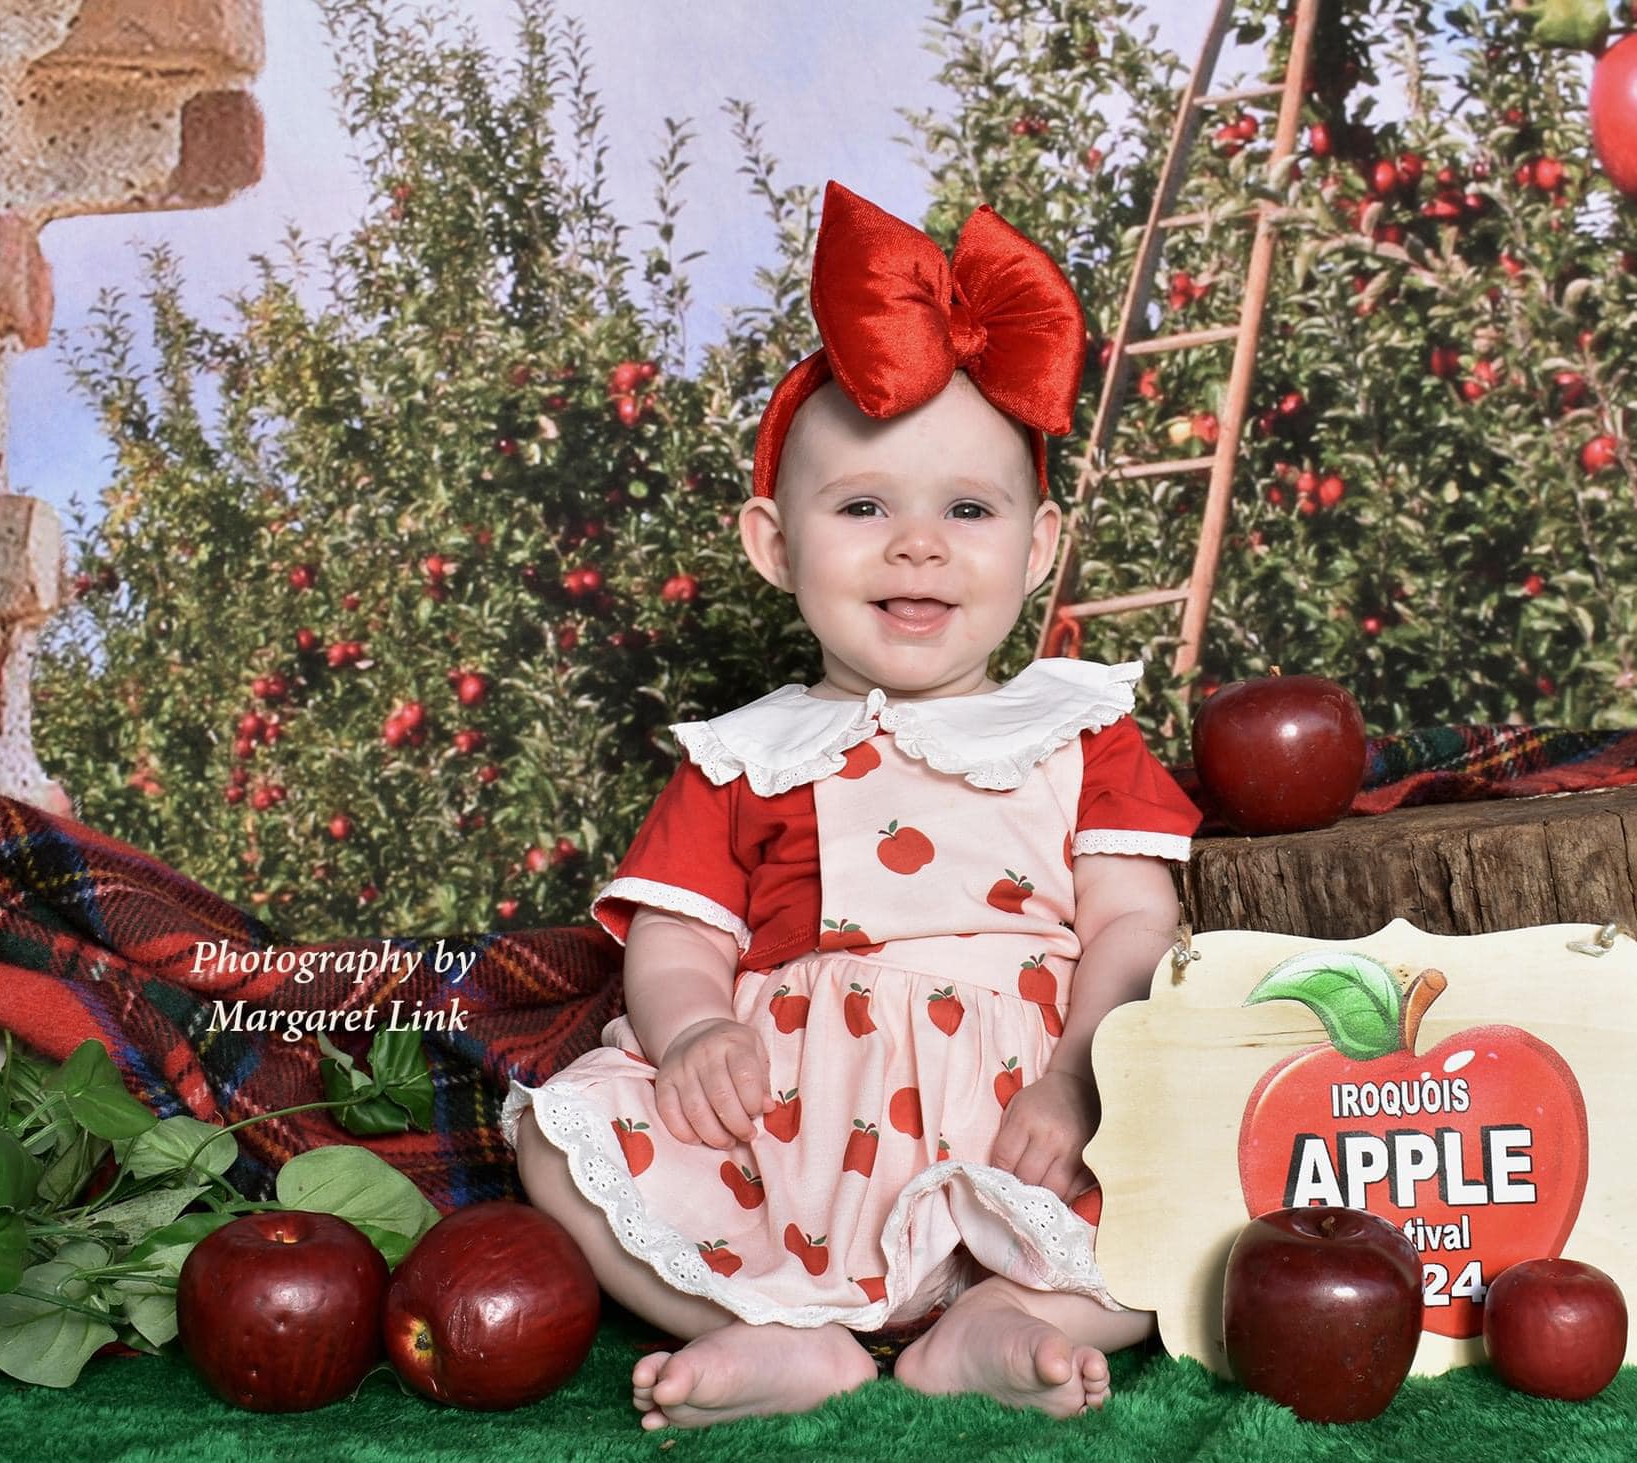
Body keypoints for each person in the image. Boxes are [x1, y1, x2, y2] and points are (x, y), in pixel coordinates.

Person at [503, 180, 1202, 1431]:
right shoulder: (744, 756)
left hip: (1026, 1109)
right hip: (793, 1124)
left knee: (1187, 1181)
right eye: (864, 505)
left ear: (1040, 543)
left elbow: (1134, 925)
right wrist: (691, 1031)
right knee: (557, 1138)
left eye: (968, 509)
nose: (916, 543)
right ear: (774, 543)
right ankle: (778, 1333)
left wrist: (1076, 1078)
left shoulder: (1076, 729)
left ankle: (1004, 1315)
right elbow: (675, 935)